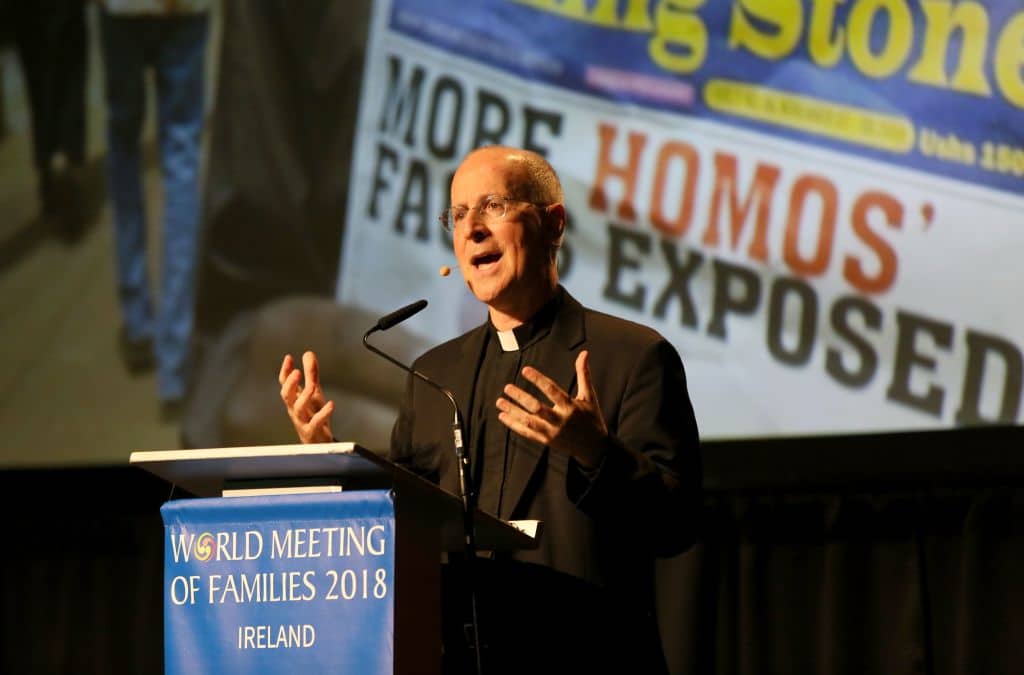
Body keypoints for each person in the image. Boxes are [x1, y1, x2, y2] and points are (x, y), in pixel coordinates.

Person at [279, 145, 702, 673]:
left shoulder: (633, 356)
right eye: (458, 215)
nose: (472, 229)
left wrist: (595, 453)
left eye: (493, 206)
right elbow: (398, 530)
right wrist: (334, 463)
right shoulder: (433, 376)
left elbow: (675, 525)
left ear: (554, 224)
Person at [98, 0, 211, 420]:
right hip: (185, 9)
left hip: (122, 8)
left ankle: (138, 322)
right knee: (181, 158)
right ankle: (175, 361)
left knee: (123, 142)